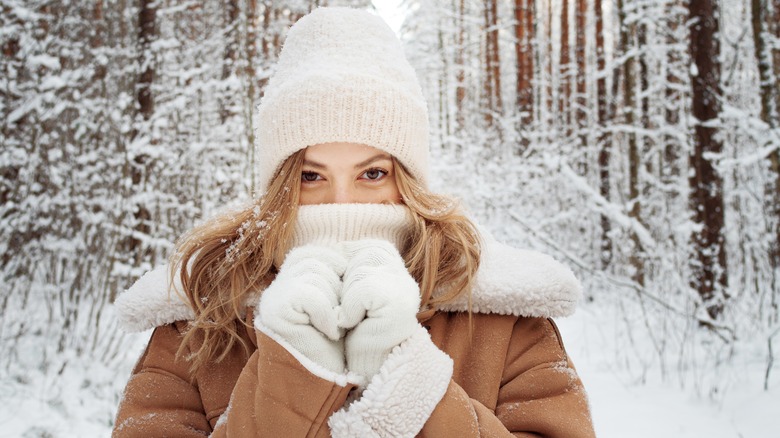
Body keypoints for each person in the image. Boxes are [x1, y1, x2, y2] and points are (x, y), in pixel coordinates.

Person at [112, 7, 596, 437]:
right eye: (310, 176)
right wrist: (291, 370)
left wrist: (408, 380)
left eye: (372, 173)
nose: (340, 202)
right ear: (278, 185)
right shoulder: (203, 321)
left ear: (407, 179)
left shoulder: (501, 318)